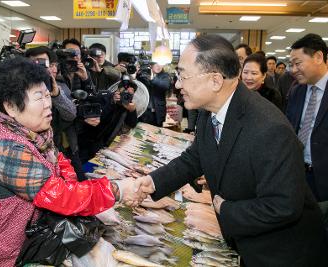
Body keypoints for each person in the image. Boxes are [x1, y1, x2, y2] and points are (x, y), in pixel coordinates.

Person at [131, 34, 328, 266]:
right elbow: (195, 157)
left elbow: (283, 206)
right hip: (247, 241)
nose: (177, 84)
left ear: (215, 80)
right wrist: (152, 182)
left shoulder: (269, 128)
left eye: (183, 75)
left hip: (281, 252)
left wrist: (224, 208)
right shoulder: (211, 110)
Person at [0, 57, 137, 266]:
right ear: (11, 106)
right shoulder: (4, 149)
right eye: (39, 97)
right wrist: (117, 190)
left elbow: (59, 161)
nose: (48, 103)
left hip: (18, 243)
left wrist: (78, 186)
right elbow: (62, 196)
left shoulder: (34, 133)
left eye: (48, 95)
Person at [286, 33, 328, 230]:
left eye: (298, 63)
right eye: (291, 64)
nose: (293, 70)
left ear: (318, 57)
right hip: (298, 175)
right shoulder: (297, 91)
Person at [25, 46, 86, 180]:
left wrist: (56, 94)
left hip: (63, 148)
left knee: (78, 183)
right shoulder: (20, 90)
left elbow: (71, 114)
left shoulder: (59, 85)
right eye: (37, 63)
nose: (45, 68)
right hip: (35, 153)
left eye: (49, 64)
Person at [138, 63, 171, 127]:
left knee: (157, 132)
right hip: (145, 111)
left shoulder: (164, 76)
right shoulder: (143, 75)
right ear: (151, 65)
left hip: (158, 112)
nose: (159, 66)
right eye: (156, 64)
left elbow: (165, 86)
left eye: (160, 64)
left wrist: (152, 79)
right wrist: (137, 73)